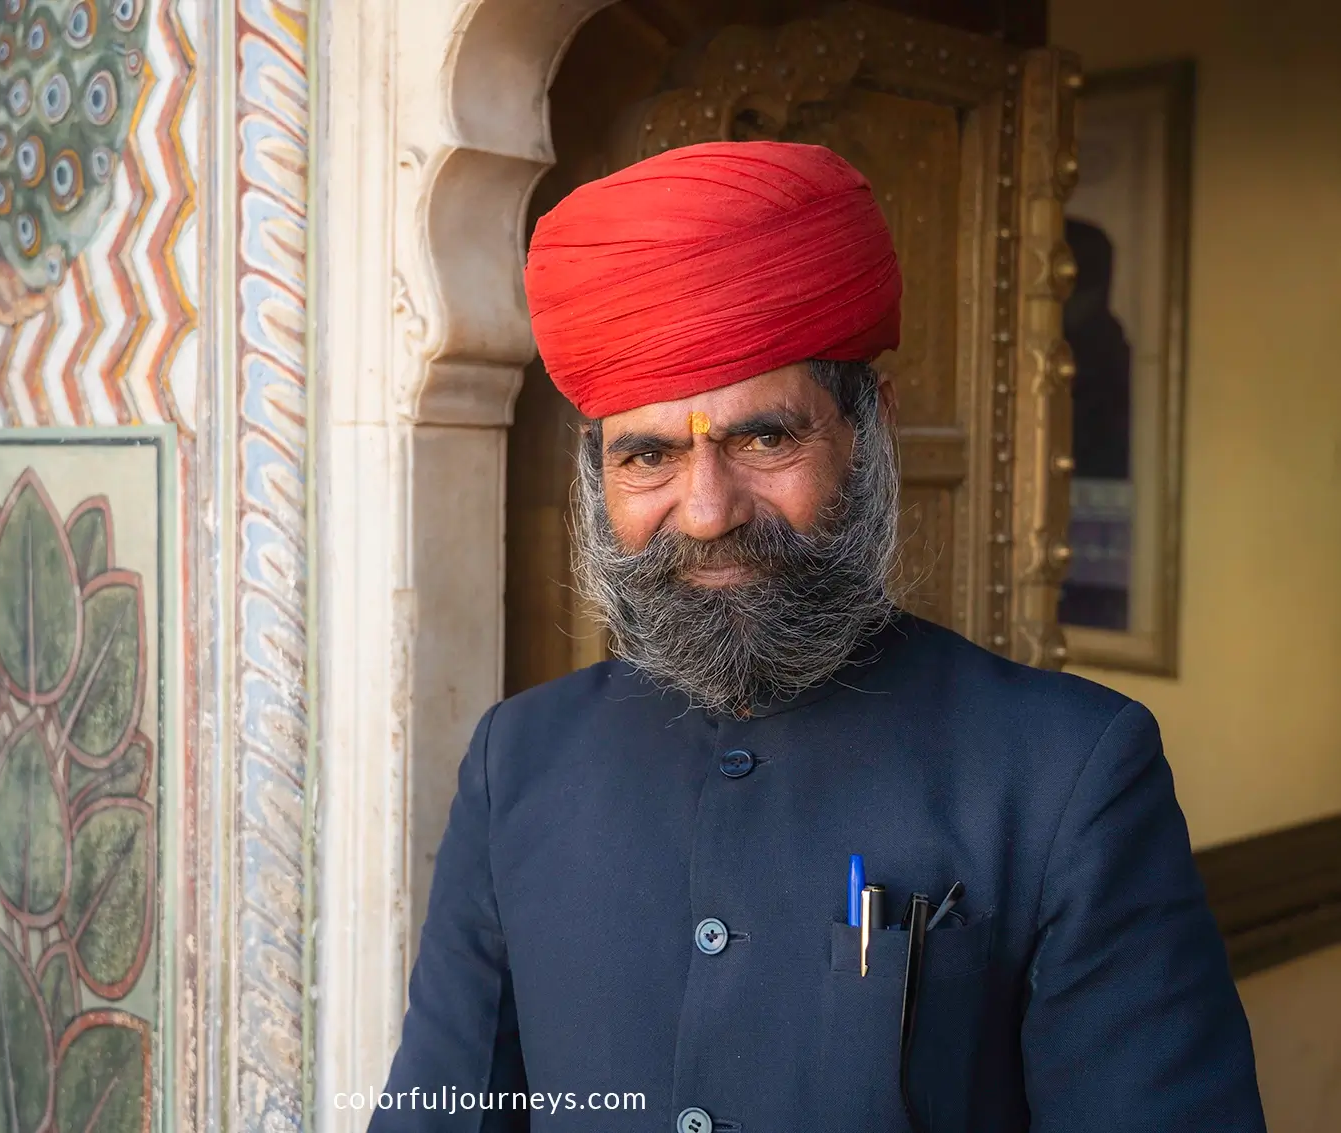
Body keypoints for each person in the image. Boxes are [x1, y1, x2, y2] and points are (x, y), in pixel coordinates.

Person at [368, 141, 1264, 1133]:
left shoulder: (1067, 772)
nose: (705, 509)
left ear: (866, 429)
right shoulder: (517, 761)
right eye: (649, 455)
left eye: (763, 438)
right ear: (596, 472)